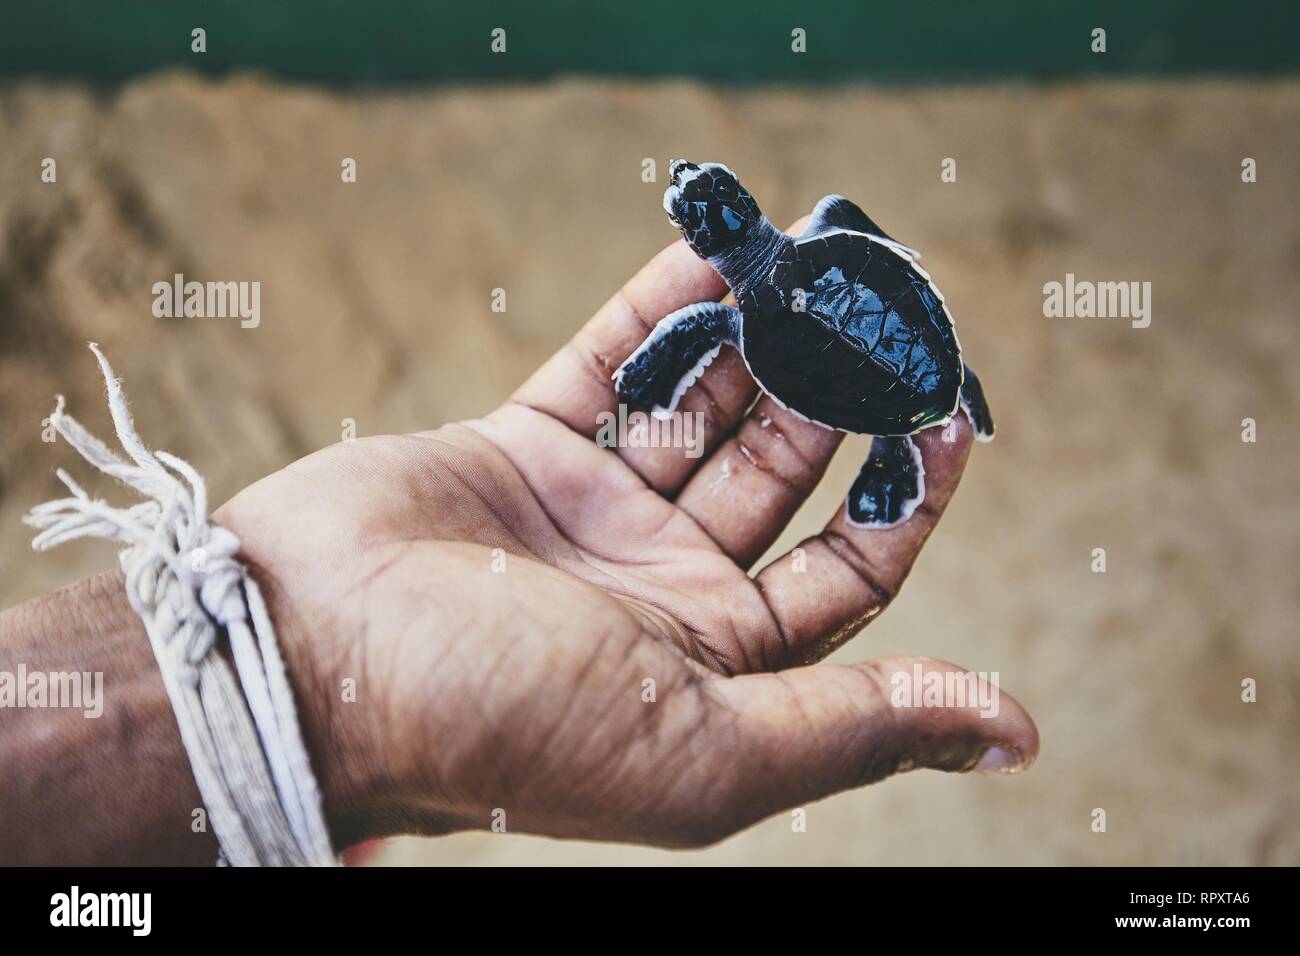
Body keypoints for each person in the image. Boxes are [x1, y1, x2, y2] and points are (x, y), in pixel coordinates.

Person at [0, 223, 1038, 865]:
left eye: (694, 209)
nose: (682, 207)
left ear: (724, 238)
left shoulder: (731, 319)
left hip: (820, 302)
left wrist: (289, 695)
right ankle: (936, 409)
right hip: (848, 278)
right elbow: (849, 238)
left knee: (698, 339)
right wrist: (305, 686)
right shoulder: (817, 249)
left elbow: (686, 337)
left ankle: (924, 422)